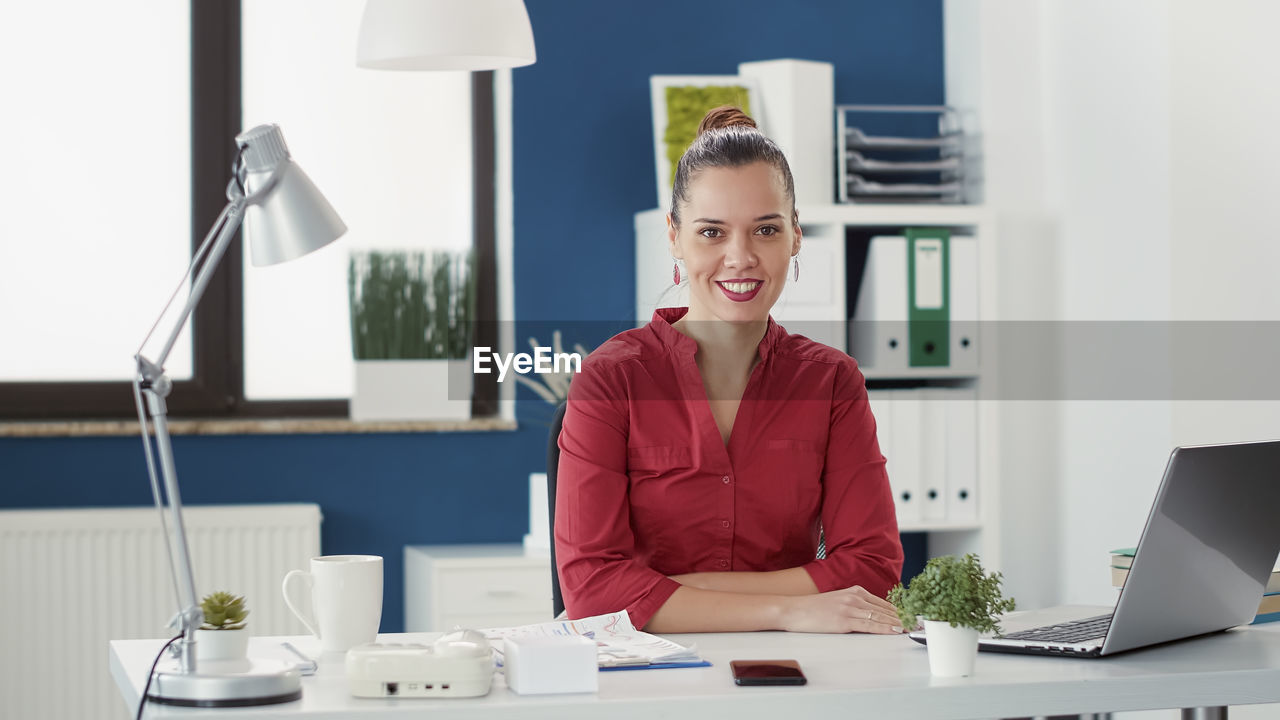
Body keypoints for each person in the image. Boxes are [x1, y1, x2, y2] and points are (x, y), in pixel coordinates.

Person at [554, 106, 904, 634]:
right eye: (712, 232)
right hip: (650, 679)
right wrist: (788, 608)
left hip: (799, 668)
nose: (740, 257)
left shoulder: (832, 382)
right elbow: (593, 589)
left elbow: (872, 569)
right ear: (674, 236)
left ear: (795, 236)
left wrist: (673, 589)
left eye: (765, 229)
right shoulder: (611, 380)